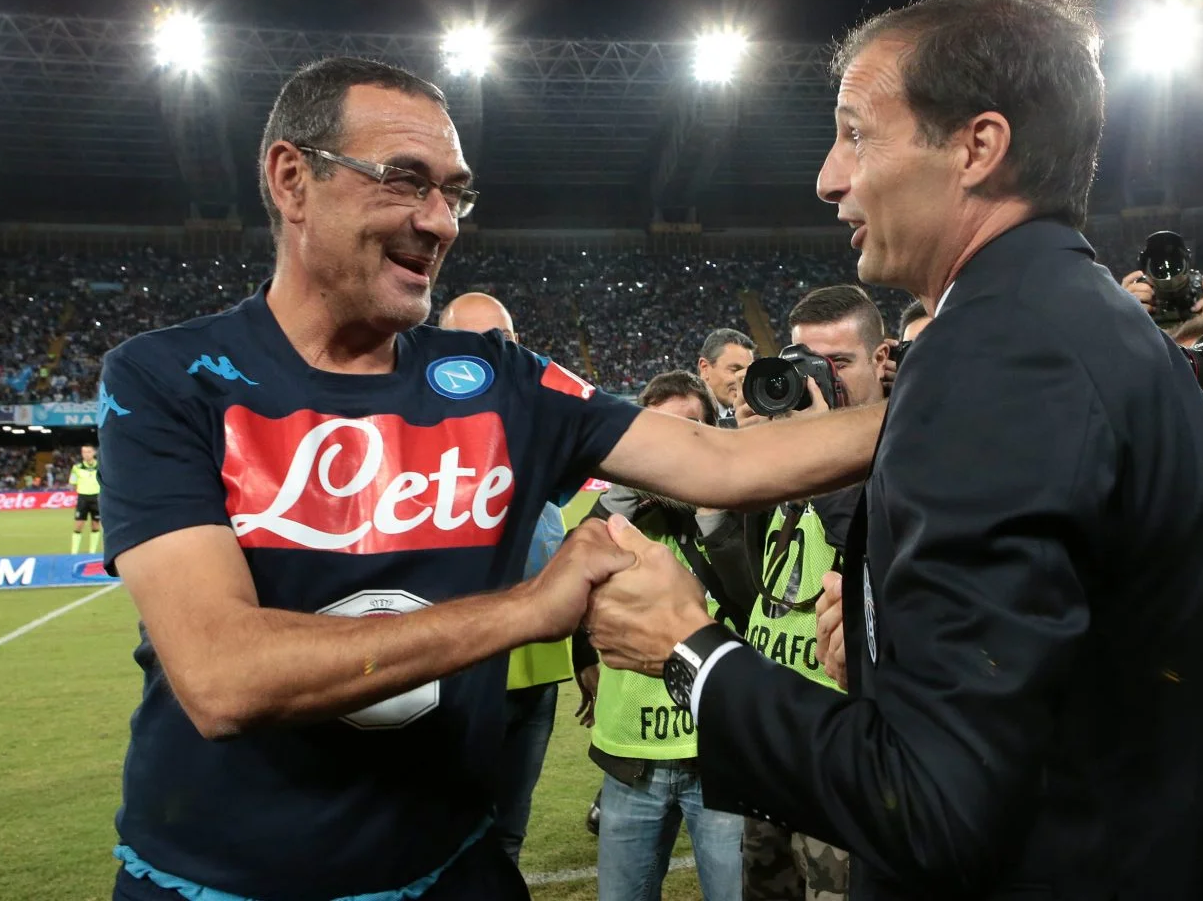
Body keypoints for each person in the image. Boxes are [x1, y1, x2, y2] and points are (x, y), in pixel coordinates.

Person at [583, 0, 1203, 901]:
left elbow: (934, 804)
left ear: (978, 146)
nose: (828, 177)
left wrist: (689, 649)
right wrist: (888, 647)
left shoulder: (1000, 354)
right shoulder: (1085, 320)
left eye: (856, 133)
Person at [98, 56, 882, 901]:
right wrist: (529, 609)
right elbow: (222, 676)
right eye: (406, 180)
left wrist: (956, 397)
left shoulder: (502, 382)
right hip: (214, 884)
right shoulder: (167, 379)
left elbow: (724, 461)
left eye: (455, 194)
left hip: (451, 870)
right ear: (292, 179)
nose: (440, 222)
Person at [737, 285, 893, 901]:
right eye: (805, 364)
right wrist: (750, 452)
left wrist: (821, 452)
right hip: (773, 732)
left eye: (840, 363)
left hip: (843, 740)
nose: (820, 381)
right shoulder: (787, 444)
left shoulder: (903, 446)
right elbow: (745, 570)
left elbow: (877, 550)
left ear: (880, 357)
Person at [586, 370, 743, 901]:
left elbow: (750, 601)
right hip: (632, 758)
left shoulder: (738, 513)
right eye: (661, 433)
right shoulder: (612, 522)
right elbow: (570, 587)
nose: (675, 450)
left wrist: (711, 508)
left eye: (690, 430)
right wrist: (621, 494)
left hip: (719, 756)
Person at [438, 291, 573, 868]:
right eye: (470, 342)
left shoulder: (541, 421)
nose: (489, 353)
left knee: (509, 831)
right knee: (446, 833)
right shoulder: (417, 429)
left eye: (502, 340)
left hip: (538, 666)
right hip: (457, 670)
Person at [696, 328, 756, 427]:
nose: (744, 380)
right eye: (735, 370)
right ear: (705, 368)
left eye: (748, 373)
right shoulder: (683, 416)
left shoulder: (743, 417)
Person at [70, 444, 102, 554]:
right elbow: (73, 482)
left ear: (94, 453)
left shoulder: (101, 466)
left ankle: (92, 552)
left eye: (88, 452)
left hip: (96, 498)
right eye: (84, 452)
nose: (86, 454)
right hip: (83, 498)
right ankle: (74, 553)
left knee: (95, 525)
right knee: (78, 525)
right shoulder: (77, 467)